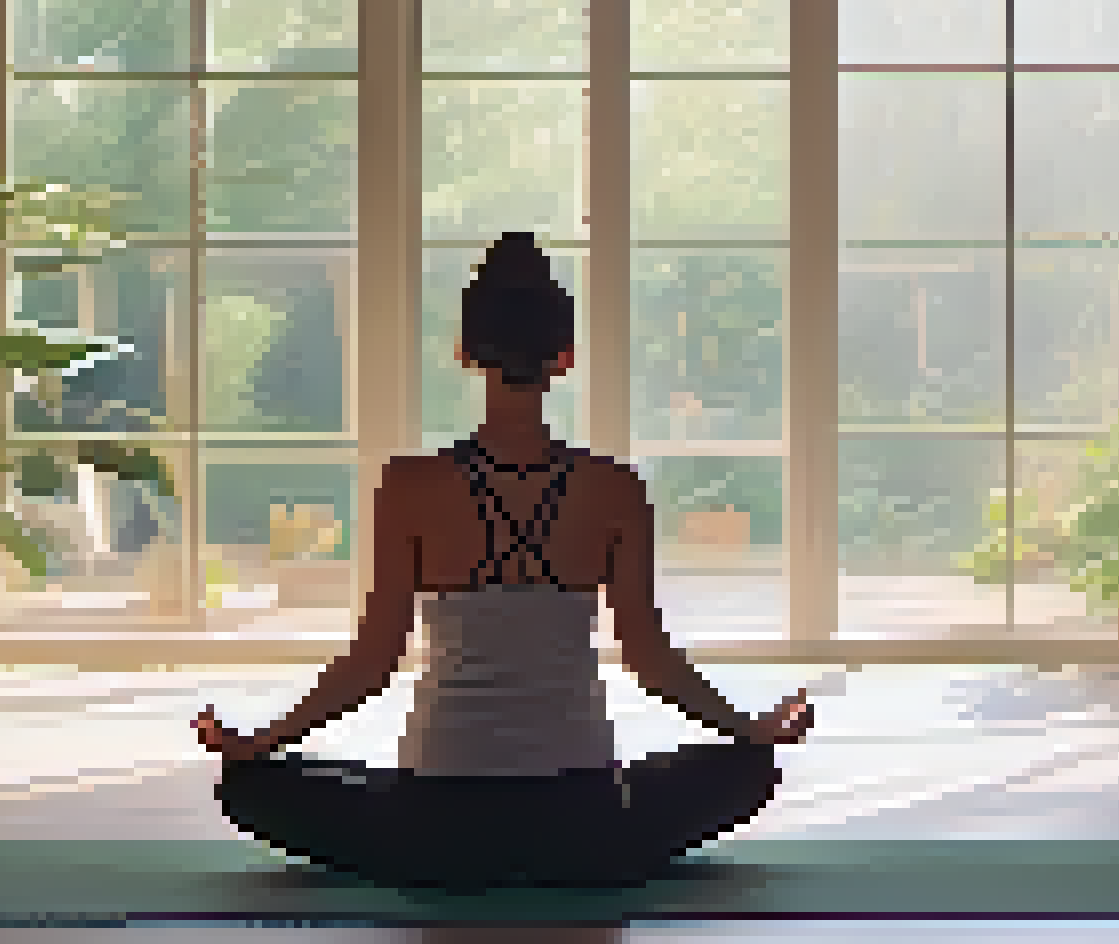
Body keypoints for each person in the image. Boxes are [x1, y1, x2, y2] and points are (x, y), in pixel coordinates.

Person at [194, 230, 814, 891]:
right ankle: (577, 846)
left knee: (251, 787)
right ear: (564, 358)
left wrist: (260, 742)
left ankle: (431, 841)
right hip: (584, 826)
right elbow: (649, 657)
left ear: (466, 353)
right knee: (749, 771)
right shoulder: (614, 489)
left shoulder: (409, 486)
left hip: (436, 828)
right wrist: (751, 729)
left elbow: (372, 660)